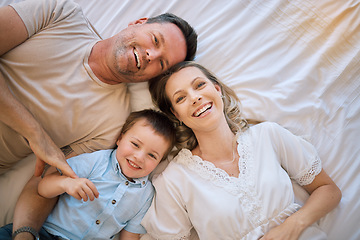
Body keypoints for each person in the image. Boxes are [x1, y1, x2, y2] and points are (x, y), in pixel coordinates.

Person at [0, 0, 196, 237]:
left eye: (161, 63)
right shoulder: (59, 13)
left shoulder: (112, 127)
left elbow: (47, 181)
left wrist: (25, 233)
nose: (150, 55)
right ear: (139, 23)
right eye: (155, 40)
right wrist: (35, 134)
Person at [140, 61, 342, 240]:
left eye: (200, 85)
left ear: (217, 89)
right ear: (177, 115)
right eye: (181, 98)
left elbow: (328, 190)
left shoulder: (268, 135)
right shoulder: (174, 179)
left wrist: (292, 226)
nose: (195, 98)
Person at [0, 109, 176, 240]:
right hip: (46, 233)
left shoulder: (146, 195)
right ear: (120, 139)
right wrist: (66, 184)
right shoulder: (97, 162)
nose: (139, 157)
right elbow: (43, 188)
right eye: (135, 144)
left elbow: (129, 235)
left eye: (152, 155)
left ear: (159, 162)